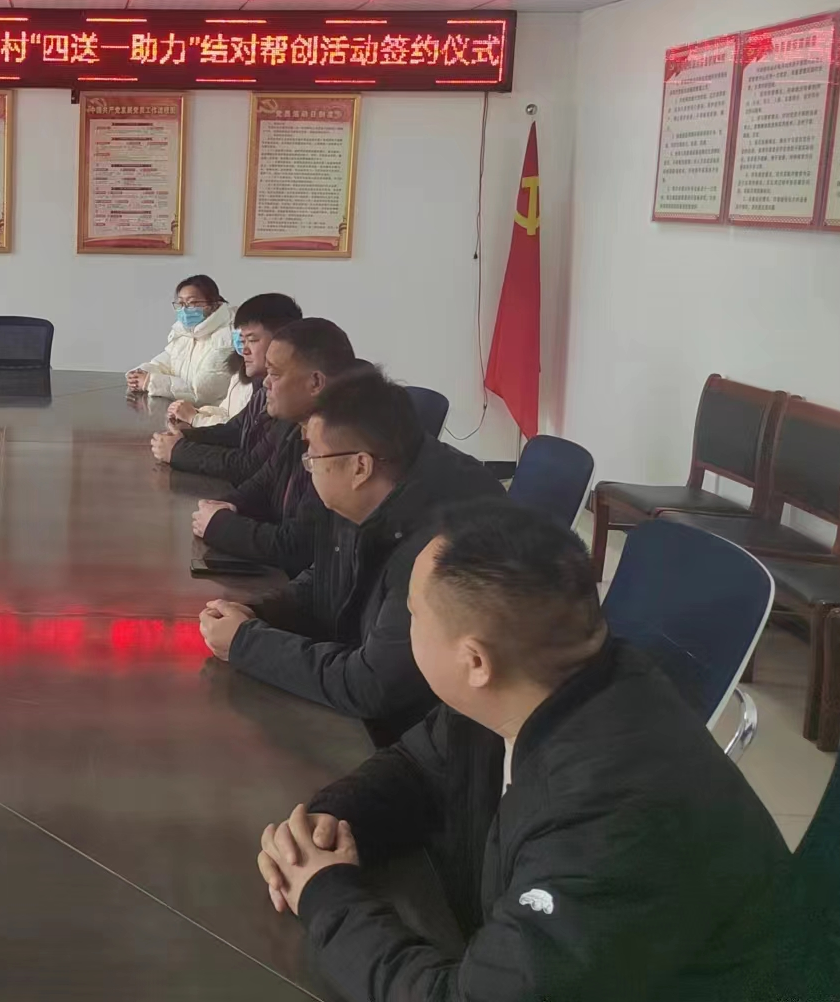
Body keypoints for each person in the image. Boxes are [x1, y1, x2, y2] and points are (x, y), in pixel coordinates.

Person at [255, 499, 789, 1002]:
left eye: (413, 613)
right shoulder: (539, 675)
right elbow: (417, 767)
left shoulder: (604, 821)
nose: (402, 625)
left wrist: (326, 895)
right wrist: (333, 822)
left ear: (474, 662)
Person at [201, 367, 503, 741]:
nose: (307, 466)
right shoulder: (368, 493)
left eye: (313, 457)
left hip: (420, 739)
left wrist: (247, 643)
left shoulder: (435, 548)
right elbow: (325, 578)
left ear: (360, 466)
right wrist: (257, 614)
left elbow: (371, 685)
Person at [192, 317, 356, 574]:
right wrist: (228, 505)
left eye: (275, 374)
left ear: (315, 382)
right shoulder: (293, 425)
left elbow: (297, 548)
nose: (266, 382)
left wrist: (220, 526)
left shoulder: (340, 446)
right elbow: (263, 482)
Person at [152, 292, 301, 485]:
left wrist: (179, 451)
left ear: (280, 342)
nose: (244, 350)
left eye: (252, 340)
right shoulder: (261, 385)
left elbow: (250, 466)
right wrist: (185, 437)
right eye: (242, 340)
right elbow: (236, 429)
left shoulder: (292, 398)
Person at [125, 275, 235, 406]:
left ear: (212, 304)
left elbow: (202, 393)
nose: (184, 309)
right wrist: (139, 374)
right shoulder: (185, 333)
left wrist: (150, 381)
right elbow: (163, 364)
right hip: (180, 410)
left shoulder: (226, 339)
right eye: (181, 303)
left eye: (192, 303)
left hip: (211, 415)